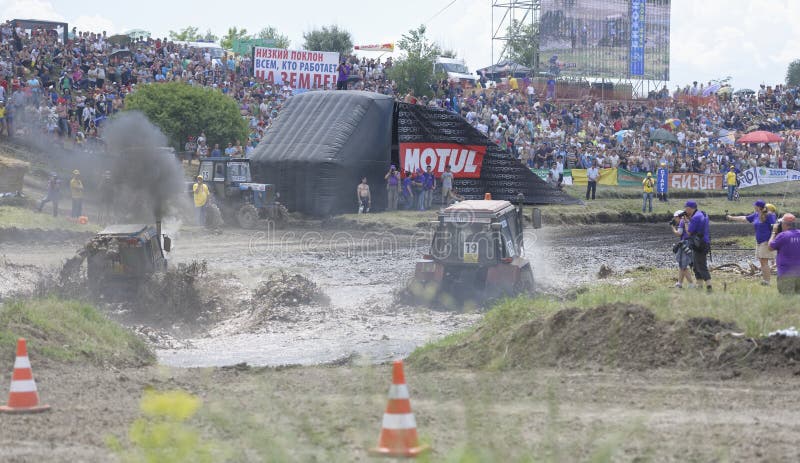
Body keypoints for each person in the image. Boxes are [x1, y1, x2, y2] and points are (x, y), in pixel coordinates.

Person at [726, 200, 777, 285]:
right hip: (759, 242)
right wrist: (731, 217)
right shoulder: (756, 214)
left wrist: (771, 240)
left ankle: (767, 281)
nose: (754, 207)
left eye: (755, 205)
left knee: (764, 262)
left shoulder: (769, 216)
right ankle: (765, 280)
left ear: (759, 207)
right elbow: (744, 218)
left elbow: (774, 228)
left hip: (766, 242)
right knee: (762, 261)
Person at [768, 213, 800, 294]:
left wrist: (773, 232)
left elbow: (770, 247)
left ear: (785, 224)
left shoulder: (782, 235)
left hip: (786, 273)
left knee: (787, 299)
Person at [685, 200, 712, 292]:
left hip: (699, 244)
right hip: (705, 242)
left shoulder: (695, 218)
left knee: (701, 265)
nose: (685, 210)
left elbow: (689, 232)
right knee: (697, 266)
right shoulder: (703, 214)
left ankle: (709, 287)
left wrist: (685, 222)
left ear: (690, 208)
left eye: (686, 208)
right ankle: (700, 286)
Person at [670, 210, 694, 288]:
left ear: (678, 217)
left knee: (683, 265)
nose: (675, 220)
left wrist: (673, 228)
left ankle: (691, 284)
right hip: (689, 243)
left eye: (675, 218)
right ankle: (679, 283)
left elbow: (679, 233)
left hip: (684, 244)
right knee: (681, 265)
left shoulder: (682, 221)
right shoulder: (687, 220)